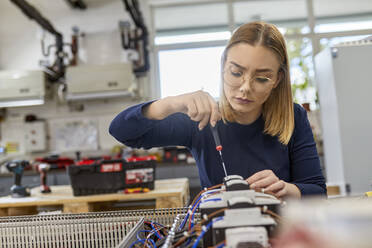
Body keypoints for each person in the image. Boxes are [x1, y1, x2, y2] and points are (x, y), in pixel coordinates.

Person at [109, 21, 326, 198]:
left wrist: (284, 189)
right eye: (236, 72)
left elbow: (317, 192)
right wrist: (171, 103)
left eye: (261, 78)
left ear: (278, 79)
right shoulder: (202, 118)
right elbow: (121, 130)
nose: (245, 88)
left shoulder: (293, 117)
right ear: (223, 67)